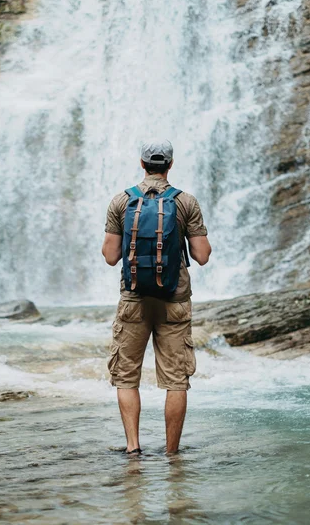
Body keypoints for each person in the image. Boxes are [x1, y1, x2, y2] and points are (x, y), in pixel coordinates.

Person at [102, 140, 211, 454]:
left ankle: (133, 448)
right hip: (174, 300)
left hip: (133, 299)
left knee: (126, 375)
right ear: (170, 165)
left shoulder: (121, 201)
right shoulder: (186, 202)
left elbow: (110, 256)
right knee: (176, 379)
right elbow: (202, 256)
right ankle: (171, 453)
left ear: (142, 163)